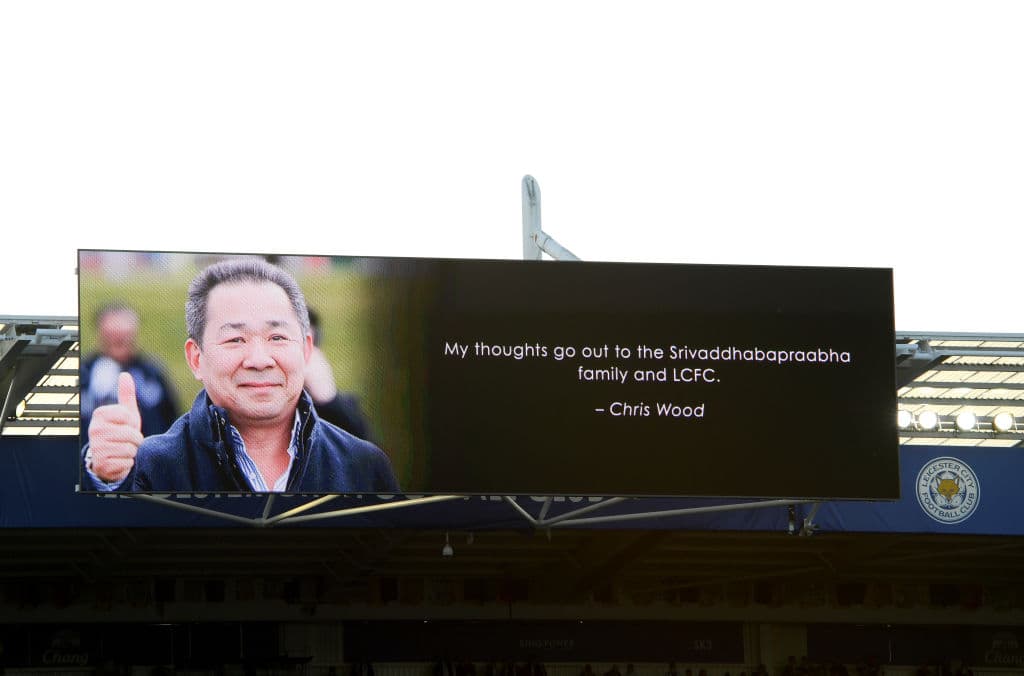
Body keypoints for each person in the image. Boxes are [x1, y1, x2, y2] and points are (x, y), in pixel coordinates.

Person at [81, 257, 399, 493]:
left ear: (306, 350)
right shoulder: (151, 470)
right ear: (196, 358)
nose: (259, 360)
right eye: (235, 339)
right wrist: (108, 480)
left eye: (277, 337)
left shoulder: (364, 466)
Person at [80, 303, 179, 437]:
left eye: (125, 335)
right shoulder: (83, 374)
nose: (119, 340)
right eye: (112, 336)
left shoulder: (151, 373)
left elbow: (172, 419)